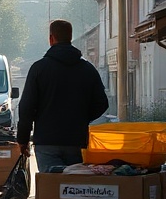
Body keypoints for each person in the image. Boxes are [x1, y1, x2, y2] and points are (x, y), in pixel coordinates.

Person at [16, 19, 109, 172]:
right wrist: (81, 117)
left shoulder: (39, 68)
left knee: (52, 188)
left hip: (46, 142)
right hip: (76, 142)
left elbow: (26, 107)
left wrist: (23, 140)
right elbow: (102, 103)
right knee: (75, 189)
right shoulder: (87, 69)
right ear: (70, 37)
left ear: (51, 38)